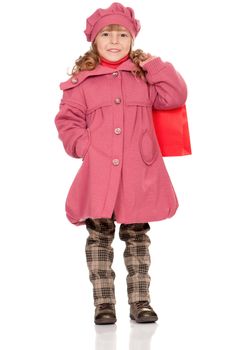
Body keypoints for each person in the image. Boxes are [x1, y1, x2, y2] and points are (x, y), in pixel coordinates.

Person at [54, 2, 187, 325]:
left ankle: (141, 301)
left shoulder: (144, 76)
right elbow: (67, 120)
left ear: (132, 39)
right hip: (99, 173)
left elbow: (175, 96)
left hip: (138, 174)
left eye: (122, 35)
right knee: (99, 238)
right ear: (94, 41)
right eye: (107, 34)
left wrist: (154, 65)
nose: (115, 41)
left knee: (137, 237)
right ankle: (104, 304)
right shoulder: (82, 83)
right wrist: (84, 145)